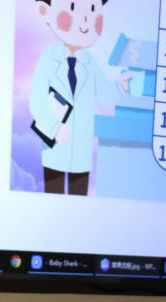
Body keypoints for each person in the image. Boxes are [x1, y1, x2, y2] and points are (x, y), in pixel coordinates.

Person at [30, 0, 131, 195]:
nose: (85, 20)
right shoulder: (47, 59)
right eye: (73, 8)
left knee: (79, 201)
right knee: (52, 198)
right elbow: (36, 102)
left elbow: (106, 95)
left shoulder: (90, 63)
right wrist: (54, 127)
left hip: (81, 152)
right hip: (55, 148)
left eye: (93, 10)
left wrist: (121, 85)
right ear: (47, 11)